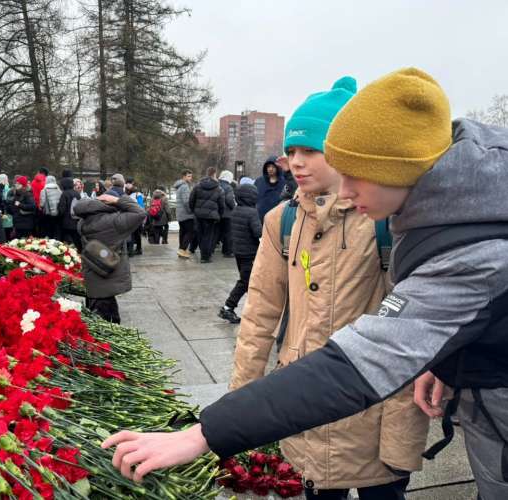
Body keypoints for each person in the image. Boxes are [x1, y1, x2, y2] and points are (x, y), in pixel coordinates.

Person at [101, 68, 508, 500]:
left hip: (374, 402)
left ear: (399, 167)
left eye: (354, 173)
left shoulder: (472, 246)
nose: (345, 192)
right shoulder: (445, 212)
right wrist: (448, 362)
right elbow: (263, 310)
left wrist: (206, 433)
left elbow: (370, 357)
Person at [235, 76, 430, 500]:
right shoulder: (281, 222)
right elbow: (260, 314)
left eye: (310, 150)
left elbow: (417, 326)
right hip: (308, 403)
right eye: (290, 152)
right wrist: (240, 406)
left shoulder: (386, 220)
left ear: (342, 151)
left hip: (376, 406)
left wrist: (402, 431)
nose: (296, 162)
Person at [74, 192, 145, 323]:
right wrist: (118, 200)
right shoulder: (113, 222)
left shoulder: (82, 222)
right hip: (109, 274)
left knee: (97, 315)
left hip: (92, 275)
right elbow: (139, 213)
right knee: (109, 323)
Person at [217, 183, 261, 325]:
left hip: (239, 252)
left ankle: (254, 309)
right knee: (245, 282)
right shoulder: (252, 212)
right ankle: (228, 307)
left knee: (248, 282)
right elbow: (258, 233)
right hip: (250, 253)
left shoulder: (236, 210)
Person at [188, 167, 224, 263]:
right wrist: (219, 214)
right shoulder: (218, 188)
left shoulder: (197, 186)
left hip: (198, 215)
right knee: (208, 236)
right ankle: (205, 256)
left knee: (200, 234)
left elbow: (191, 200)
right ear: (214, 174)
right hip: (211, 216)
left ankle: (203, 254)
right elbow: (221, 204)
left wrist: (194, 211)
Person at [254, 155, 287, 222]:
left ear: (278, 168)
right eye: (268, 167)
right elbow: (254, 197)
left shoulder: (284, 182)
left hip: (277, 218)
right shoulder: (259, 181)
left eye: (273, 167)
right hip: (260, 218)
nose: (270, 169)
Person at [174, 169, 196, 259]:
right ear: (183, 177)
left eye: (191, 176)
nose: (190, 178)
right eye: (188, 176)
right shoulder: (184, 186)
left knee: (183, 232)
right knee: (191, 231)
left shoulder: (179, 186)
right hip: (186, 214)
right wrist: (191, 211)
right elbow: (186, 202)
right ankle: (182, 249)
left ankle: (181, 249)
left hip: (180, 213)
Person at [57, 176, 82, 250]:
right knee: (76, 241)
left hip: (66, 223)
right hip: (76, 222)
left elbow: (62, 209)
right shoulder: (77, 194)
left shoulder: (64, 194)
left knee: (66, 244)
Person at [217, 170, 236, 257]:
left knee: (218, 232)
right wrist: (234, 207)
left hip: (217, 213)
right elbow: (229, 200)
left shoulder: (216, 184)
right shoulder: (228, 187)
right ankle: (227, 251)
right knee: (228, 233)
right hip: (227, 213)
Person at [125, 178, 144, 256]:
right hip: (128, 216)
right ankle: (131, 249)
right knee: (131, 233)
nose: (129, 184)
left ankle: (138, 249)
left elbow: (141, 206)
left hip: (136, 216)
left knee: (136, 233)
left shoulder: (137, 194)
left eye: (130, 183)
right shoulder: (125, 193)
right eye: (127, 183)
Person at [40, 175, 62, 239]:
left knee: (48, 232)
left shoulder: (43, 190)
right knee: (56, 231)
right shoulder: (59, 190)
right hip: (57, 215)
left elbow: (42, 203)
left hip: (47, 214)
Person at [31, 167, 48, 236]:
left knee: (36, 224)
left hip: (34, 204)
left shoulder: (33, 181)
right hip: (43, 206)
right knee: (44, 225)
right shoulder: (45, 182)